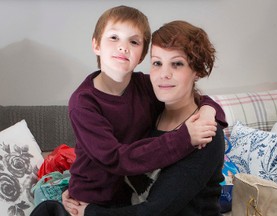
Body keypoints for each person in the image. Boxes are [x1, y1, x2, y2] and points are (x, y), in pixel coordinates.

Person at [30, 6, 226, 216]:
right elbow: (116, 158)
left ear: (140, 56)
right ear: (96, 45)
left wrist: (209, 111)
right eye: (158, 63)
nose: (163, 75)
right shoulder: (85, 102)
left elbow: (155, 209)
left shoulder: (196, 129)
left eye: (177, 64)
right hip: (99, 199)